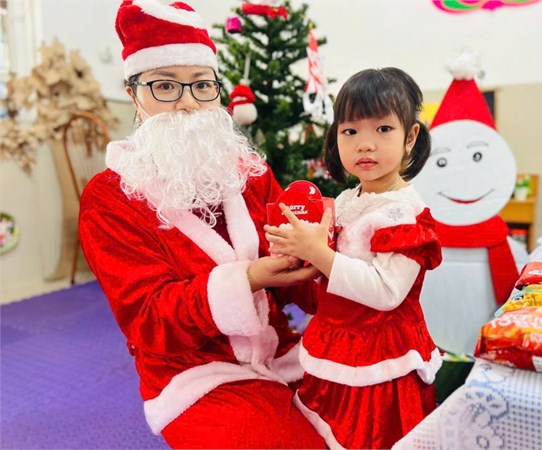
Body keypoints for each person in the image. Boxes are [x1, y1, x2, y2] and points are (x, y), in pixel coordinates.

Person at [78, 1, 326, 448]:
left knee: (374, 406)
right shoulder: (110, 197)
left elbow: (297, 280)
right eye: (165, 86)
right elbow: (148, 319)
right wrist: (249, 278)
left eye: (201, 85)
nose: (189, 103)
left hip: (279, 351)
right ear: (134, 95)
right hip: (192, 374)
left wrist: (327, 259)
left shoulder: (249, 173)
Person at [265, 67, 444, 449]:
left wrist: (319, 253)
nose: (365, 144)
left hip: (379, 360)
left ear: (410, 136)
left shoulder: (404, 214)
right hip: (334, 341)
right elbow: (331, 271)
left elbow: (385, 292)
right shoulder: (347, 201)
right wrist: (298, 253)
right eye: (350, 131)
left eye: (383, 129)